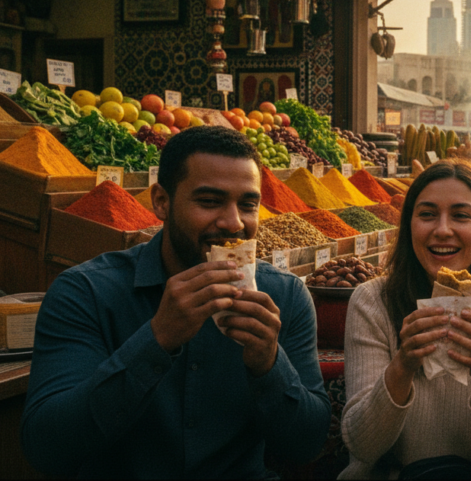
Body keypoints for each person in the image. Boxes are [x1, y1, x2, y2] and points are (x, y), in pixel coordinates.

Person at [21, 126, 330, 477]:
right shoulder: (85, 292)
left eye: (248, 205)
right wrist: (156, 339)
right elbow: (46, 448)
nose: (233, 223)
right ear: (161, 202)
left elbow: (307, 445)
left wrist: (269, 365)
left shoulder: (285, 296)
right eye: (209, 201)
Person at [341, 159, 471, 478]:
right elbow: (362, 446)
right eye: (427, 214)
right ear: (409, 225)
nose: (443, 230)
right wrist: (402, 366)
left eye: (461, 215)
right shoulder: (372, 301)